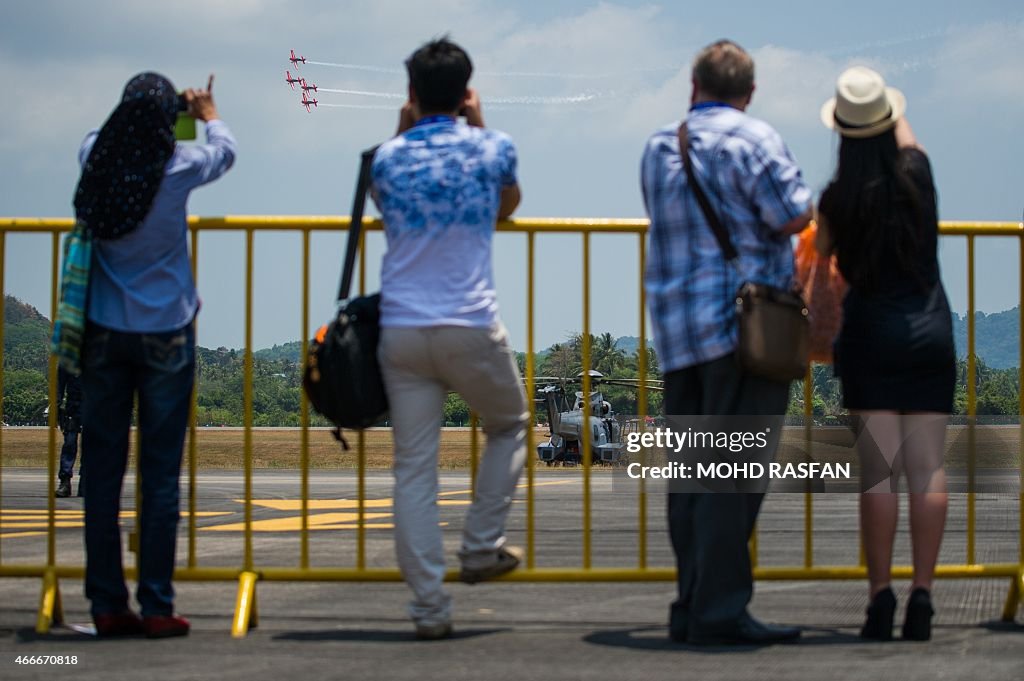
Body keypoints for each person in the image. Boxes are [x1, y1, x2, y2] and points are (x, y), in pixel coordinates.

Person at [641, 39, 812, 645]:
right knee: (733, 475)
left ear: (693, 87)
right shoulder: (754, 139)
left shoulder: (661, 145)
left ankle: (691, 603)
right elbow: (793, 212)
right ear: (750, 92)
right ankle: (720, 611)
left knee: (690, 474)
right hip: (744, 332)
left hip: (678, 332)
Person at [371, 37, 528, 640]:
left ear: (410, 94)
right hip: (468, 322)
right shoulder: (492, 148)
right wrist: (480, 121)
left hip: (403, 328)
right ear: (467, 92)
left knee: (414, 470)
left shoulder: (385, 159)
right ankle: (481, 545)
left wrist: (401, 128)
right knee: (509, 426)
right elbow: (508, 205)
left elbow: (384, 201)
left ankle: (429, 608)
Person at [76, 72, 236, 638]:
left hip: (103, 330)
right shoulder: (179, 166)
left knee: (102, 474)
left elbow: (101, 134)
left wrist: (143, 113)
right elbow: (225, 152)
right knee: (160, 477)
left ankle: (105, 603)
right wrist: (205, 111)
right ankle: (159, 604)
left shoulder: (95, 154)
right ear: (171, 121)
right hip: (167, 330)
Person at [816, 66, 953, 641]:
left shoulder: (837, 197)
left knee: (878, 476)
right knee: (927, 470)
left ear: (842, 131)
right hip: (927, 330)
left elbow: (822, 270)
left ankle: (880, 599)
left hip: (869, 334)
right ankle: (922, 596)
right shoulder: (917, 175)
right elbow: (910, 141)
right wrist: (888, 109)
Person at [54, 366, 84, 498]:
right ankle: (65, 481)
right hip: (73, 407)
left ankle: (86, 482)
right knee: (69, 444)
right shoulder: (69, 358)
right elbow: (59, 383)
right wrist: (56, 405)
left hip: (94, 406)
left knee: (91, 445)